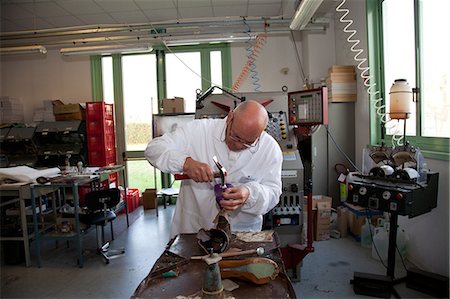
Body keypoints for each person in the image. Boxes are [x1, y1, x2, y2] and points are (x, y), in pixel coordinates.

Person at [145, 100, 282, 239]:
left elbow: (273, 192)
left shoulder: (270, 148)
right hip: (194, 229)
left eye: (248, 143)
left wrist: (249, 193)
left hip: (242, 234)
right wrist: (186, 162)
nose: (239, 145)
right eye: (235, 136)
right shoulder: (198, 131)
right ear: (229, 118)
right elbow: (154, 149)